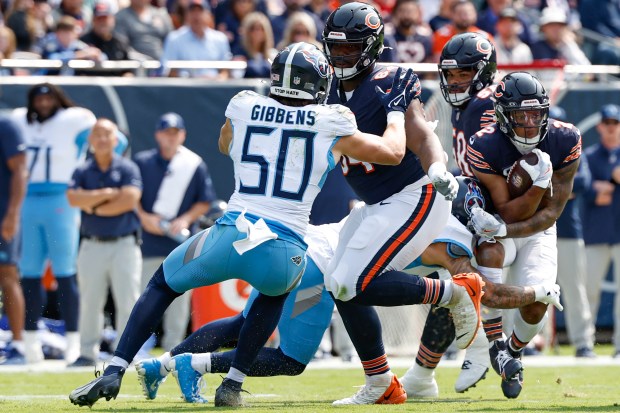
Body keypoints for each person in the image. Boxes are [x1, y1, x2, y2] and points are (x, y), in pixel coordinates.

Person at [68, 41, 420, 408]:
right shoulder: (333, 119)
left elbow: (225, 145)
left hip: (232, 231)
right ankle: (232, 384)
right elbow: (393, 153)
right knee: (274, 292)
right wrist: (395, 112)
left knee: (162, 284)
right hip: (286, 248)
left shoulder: (244, 104)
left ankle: (116, 368)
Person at [135, 192, 561, 404]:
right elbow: (474, 289)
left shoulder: (431, 213)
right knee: (292, 358)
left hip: (310, 248)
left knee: (244, 327)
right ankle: (192, 363)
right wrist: (532, 292)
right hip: (320, 265)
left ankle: (163, 365)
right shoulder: (454, 241)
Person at [321, 3, 482, 406]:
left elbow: (420, 133)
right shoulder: (324, 87)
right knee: (338, 286)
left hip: (416, 194)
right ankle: (381, 383)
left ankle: (455, 292)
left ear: (372, 47)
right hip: (377, 202)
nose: (340, 57)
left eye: (350, 48)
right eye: (335, 49)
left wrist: (439, 165)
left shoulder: (388, 80)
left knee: (350, 281)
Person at [466, 71, 582, 398]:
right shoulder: (485, 144)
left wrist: (542, 185)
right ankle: (494, 343)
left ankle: (512, 350)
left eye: (536, 114)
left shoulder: (566, 138)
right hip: (497, 224)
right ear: (503, 115)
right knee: (488, 256)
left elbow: (551, 214)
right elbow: (504, 209)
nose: (530, 123)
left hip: (539, 228)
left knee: (539, 300)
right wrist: (534, 189)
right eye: (521, 115)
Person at [400, 32, 498, 397]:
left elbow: (495, 163)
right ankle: (423, 373)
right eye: (451, 74)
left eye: (464, 74)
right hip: (478, 204)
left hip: (492, 209)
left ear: (484, 72)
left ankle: (486, 345)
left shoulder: (485, 104)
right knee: (450, 282)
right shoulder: (467, 105)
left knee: (440, 260)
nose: (456, 81)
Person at [12, 83, 97, 364]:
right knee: (29, 273)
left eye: (49, 97)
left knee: (65, 271)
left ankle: (73, 341)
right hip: (28, 199)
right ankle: (29, 341)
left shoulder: (75, 119)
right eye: (39, 97)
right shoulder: (19, 120)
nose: (44, 102)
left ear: (57, 99)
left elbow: (113, 141)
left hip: (61, 199)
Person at [133, 112, 216, 352]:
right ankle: (138, 347)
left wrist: (185, 219)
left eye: (175, 133)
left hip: (179, 244)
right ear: (158, 135)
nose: (170, 138)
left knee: (178, 303)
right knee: (143, 298)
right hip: (147, 241)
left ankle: (173, 349)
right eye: (166, 132)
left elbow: (204, 201)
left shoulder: (193, 163)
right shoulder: (142, 161)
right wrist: (144, 217)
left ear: (183, 135)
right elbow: (132, 195)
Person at [65, 119, 142, 367]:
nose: (101, 139)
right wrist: (109, 194)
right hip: (92, 244)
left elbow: (129, 200)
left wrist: (93, 206)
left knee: (128, 300)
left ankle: (125, 353)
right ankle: (87, 353)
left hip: (124, 244)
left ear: (115, 139)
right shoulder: (82, 170)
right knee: (89, 301)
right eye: (96, 134)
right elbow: (73, 198)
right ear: (90, 140)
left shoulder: (128, 168)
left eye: (106, 134)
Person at [551, 106, 596, 358]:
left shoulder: (573, 149)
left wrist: (547, 184)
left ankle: (583, 342)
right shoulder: (537, 148)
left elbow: (583, 182)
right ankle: (533, 344)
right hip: (539, 230)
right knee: (534, 289)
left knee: (574, 289)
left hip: (568, 230)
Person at [582, 104, 620, 358]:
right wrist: (602, 187)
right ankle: (585, 344)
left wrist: (605, 184)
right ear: (599, 126)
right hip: (595, 232)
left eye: (615, 122)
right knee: (589, 290)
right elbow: (584, 189)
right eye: (607, 122)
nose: (610, 127)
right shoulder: (589, 155)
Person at [0, 116, 27, 365]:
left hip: (2, 216)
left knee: (7, 275)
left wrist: (12, 215)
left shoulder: (6, 125)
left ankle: (18, 344)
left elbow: (20, 170)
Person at [161, 0, 232, 78]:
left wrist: (216, 79)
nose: (196, 16)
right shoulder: (174, 38)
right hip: (183, 88)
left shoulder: (220, 39)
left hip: (214, 87)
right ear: (186, 15)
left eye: (200, 11)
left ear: (208, 15)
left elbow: (226, 71)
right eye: (192, 11)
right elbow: (168, 71)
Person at [79, 0, 135, 77]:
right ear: (93, 20)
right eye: (99, 19)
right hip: (90, 85)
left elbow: (128, 70)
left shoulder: (120, 43)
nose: (102, 23)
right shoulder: (82, 42)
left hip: (116, 86)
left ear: (112, 20)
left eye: (105, 19)